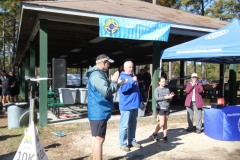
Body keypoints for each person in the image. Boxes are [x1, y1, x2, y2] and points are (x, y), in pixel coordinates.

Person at [86, 54, 121, 160]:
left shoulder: (97, 74)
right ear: (103, 63)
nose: (109, 65)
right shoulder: (96, 75)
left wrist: (115, 83)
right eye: (108, 63)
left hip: (98, 111)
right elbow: (106, 92)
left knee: (95, 138)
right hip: (99, 111)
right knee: (99, 139)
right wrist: (115, 81)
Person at [118, 61, 142, 152]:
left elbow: (137, 90)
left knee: (133, 125)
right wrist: (132, 81)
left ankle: (132, 141)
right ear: (124, 68)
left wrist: (141, 101)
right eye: (129, 67)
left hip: (134, 105)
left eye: (132, 67)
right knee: (124, 126)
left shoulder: (132, 77)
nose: (131, 69)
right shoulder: (122, 77)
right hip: (126, 106)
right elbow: (123, 89)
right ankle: (123, 144)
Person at [150, 77, 175, 142]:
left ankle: (165, 136)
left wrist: (170, 97)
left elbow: (170, 99)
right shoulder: (157, 89)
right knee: (161, 123)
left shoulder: (167, 89)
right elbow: (156, 98)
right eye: (162, 81)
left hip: (167, 107)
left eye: (165, 81)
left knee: (165, 122)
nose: (164, 83)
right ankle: (155, 133)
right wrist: (165, 97)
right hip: (160, 107)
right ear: (159, 82)